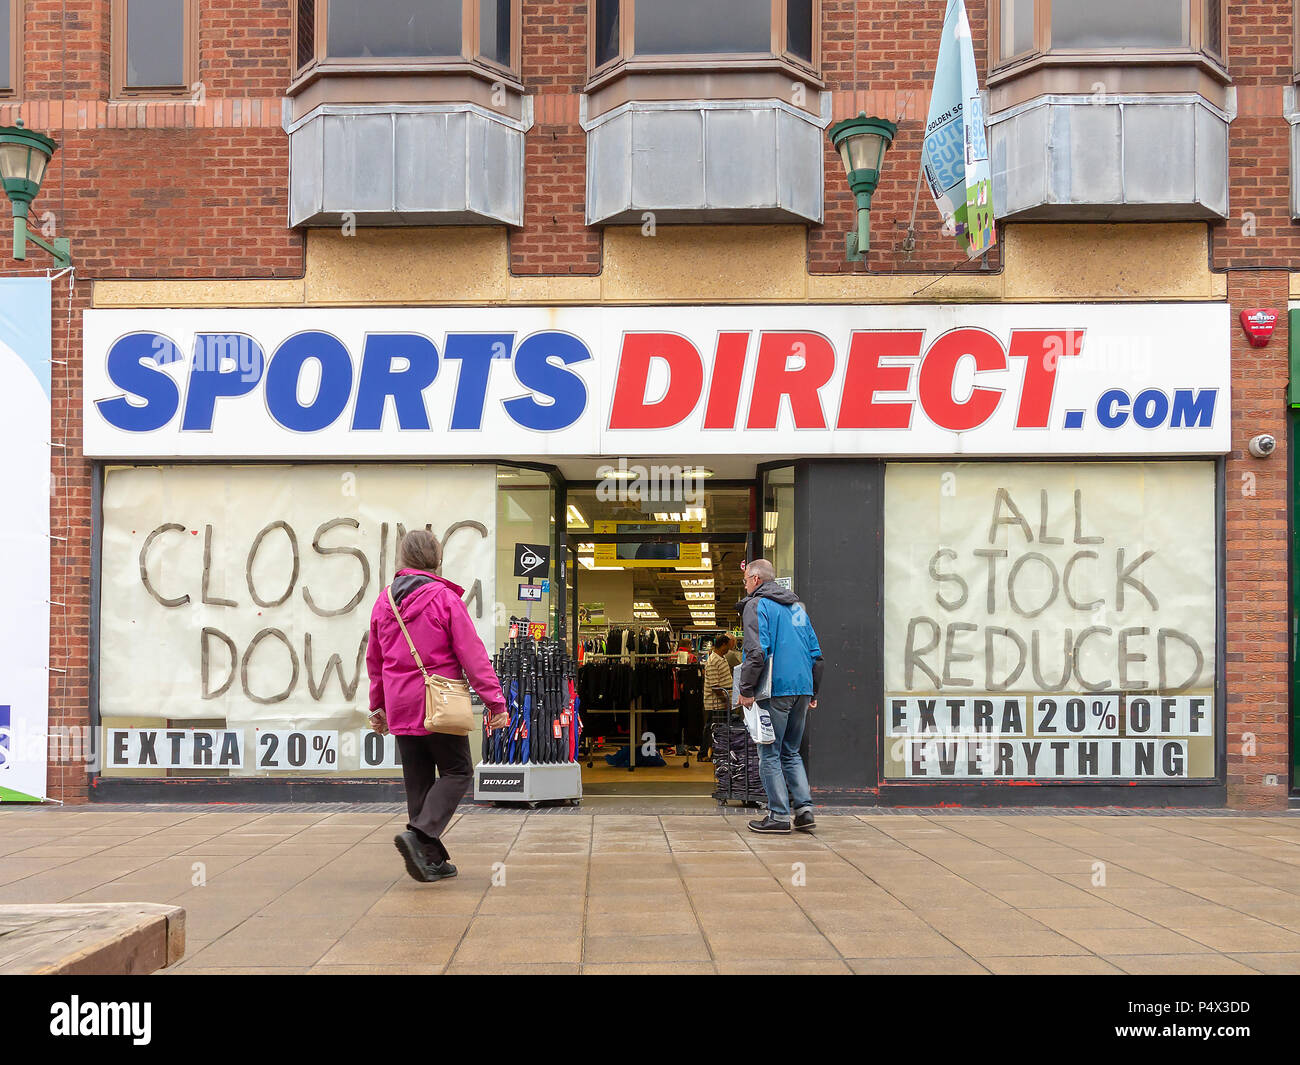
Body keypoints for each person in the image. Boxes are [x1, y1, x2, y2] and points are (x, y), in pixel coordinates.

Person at [367, 529, 510, 882]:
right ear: (436, 559)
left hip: (400, 703)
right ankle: (420, 835)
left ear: (404, 559)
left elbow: (375, 660)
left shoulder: (384, 601)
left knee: (418, 782)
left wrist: (378, 707)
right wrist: (495, 701)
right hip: (439, 701)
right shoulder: (444, 599)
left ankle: (428, 859)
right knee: (458, 771)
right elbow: (472, 654)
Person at [736, 559, 823, 834]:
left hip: (774, 690)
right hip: (802, 687)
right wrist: (813, 691)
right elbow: (816, 656)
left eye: (746, 580)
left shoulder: (756, 605)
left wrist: (746, 690)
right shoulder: (797, 608)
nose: (745, 585)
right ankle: (804, 811)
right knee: (791, 752)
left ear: (756, 579)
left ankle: (778, 816)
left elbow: (757, 651)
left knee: (769, 752)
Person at [702, 634, 734, 762]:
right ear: (723, 645)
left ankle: (716, 752)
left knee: (717, 729)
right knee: (710, 728)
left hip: (721, 702)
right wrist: (725, 700)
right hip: (715, 703)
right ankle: (703, 753)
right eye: (729, 646)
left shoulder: (722, 658)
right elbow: (715, 686)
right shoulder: (713, 661)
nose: (729, 649)